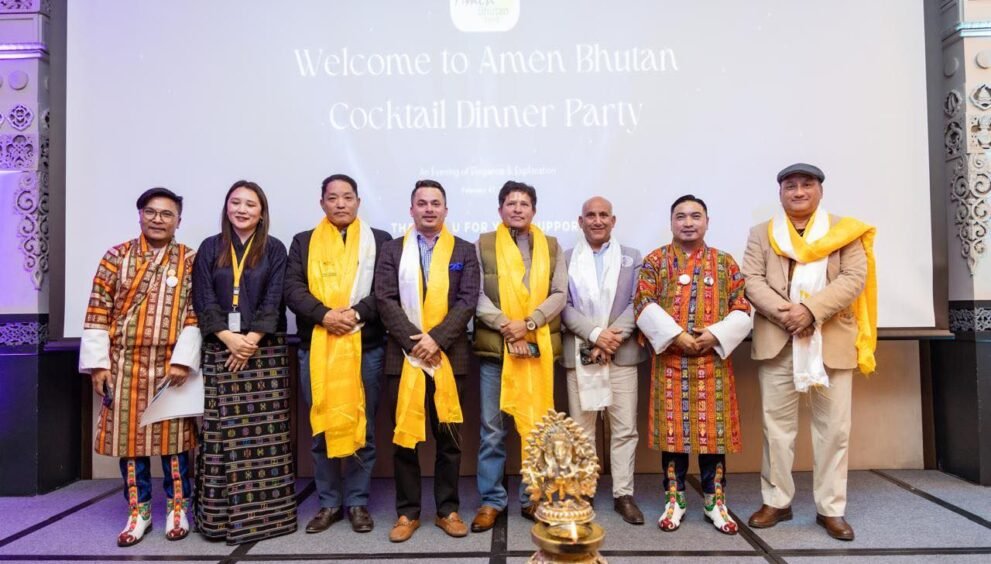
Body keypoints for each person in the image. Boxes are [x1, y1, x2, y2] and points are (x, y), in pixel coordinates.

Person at [741, 163, 876, 542]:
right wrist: (788, 315)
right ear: (780, 193)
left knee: (834, 430)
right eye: (790, 186)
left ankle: (831, 509)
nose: (798, 192)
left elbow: (854, 278)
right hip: (778, 338)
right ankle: (776, 501)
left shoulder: (844, 231)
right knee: (776, 429)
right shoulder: (762, 233)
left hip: (830, 342)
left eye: (806, 185)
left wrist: (811, 311)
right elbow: (751, 279)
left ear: (820, 191)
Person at [79, 187, 201, 547]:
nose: (158, 220)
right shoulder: (115, 257)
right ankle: (139, 511)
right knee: (130, 443)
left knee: (174, 442)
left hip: (171, 365)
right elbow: (98, 310)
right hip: (124, 364)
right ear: (140, 215)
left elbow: (195, 313)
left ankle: (178, 509)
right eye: (151, 212)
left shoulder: (190, 260)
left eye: (166, 214)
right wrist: (98, 365)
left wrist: (183, 360)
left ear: (179, 220)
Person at [634, 194, 752, 534]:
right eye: (681, 216)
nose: (688, 222)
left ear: (707, 222)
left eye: (695, 216)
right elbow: (642, 302)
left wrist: (714, 335)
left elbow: (742, 306)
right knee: (673, 437)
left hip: (713, 362)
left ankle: (716, 502)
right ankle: (675, 500)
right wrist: (678, 336)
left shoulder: (725, 262)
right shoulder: (655, 260)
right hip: (670, 361)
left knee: (714, 437)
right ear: (671, 222)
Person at [285, 173, 392, 534]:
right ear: (322, 203)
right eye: (333, 198)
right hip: (317, 347)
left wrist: (356, 314)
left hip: (366, 347)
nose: (341, 204)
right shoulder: (303, 242)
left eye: (347, 197)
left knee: (363, 425)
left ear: (358, 201)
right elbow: (292, 289)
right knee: (322, 426)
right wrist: (325, 315)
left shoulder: (379, 240)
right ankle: (329, 503)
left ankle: (357, 502)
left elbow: (385, 290)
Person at [375, 180, 481, 542]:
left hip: (450, 356)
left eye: (436, 203)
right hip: (402, 357)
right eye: (422, 203)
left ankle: (447, 510)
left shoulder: (464, 250)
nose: (429, 209)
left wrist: (436, 339)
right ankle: (407, 513)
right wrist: (415, 341)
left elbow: (467, 300)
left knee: (449, 439)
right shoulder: (391, 250)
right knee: (405, 437)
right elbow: (385, 299)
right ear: (411, 210)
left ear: (446, 210)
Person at [191, 180, 296, 544]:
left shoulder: (275, 248)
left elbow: (275, 298)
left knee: (266, 436)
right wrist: (228, 338)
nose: (242, 209)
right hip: (221, 347)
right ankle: (219, 521)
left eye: (250, 204)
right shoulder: (210, 247)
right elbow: (203, 297)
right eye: (235, 202)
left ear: (262, 212)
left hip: (264, 351)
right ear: (227, 207)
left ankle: (269, 519)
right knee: (219, 433)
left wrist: (250, 340)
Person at [470, 180, 567, 532]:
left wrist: (529, 322)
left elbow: (559, 293)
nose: (517, 209)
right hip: (497, 351)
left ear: (534, 210)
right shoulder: (482, 244)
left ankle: (533, 497)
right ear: (500, 209)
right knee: (492, 431)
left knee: (537, 428)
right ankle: (491, 500)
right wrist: (505, 325)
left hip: (537, 351)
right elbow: (475, 293)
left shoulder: (551, 246)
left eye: (524, 204)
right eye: (510, 203)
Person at [561, 196, 647, 525]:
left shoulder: (632, 257)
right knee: (581, 429)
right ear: (580, 221)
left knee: (624, 429)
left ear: (613, 220)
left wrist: (611, 338)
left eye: (603, 215)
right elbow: (563, 305)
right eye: (590, 215)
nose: (597, 220)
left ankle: (623, 494)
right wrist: (596, 335)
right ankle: (584, 492)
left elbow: (638, 301)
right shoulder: (565, 258)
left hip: (621, 354)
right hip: (580, 352)